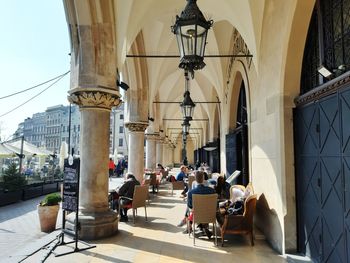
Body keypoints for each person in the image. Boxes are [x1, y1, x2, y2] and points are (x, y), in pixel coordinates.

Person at [178, 171, 216, 238]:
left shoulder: (191, 193)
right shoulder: (212, 190)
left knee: (191, 208)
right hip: (210, 215)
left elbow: (190, 206)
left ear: (195, 179)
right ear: (203, 178)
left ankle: (189, 225)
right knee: (200, 209)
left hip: (197, 216)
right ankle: (203, 227)